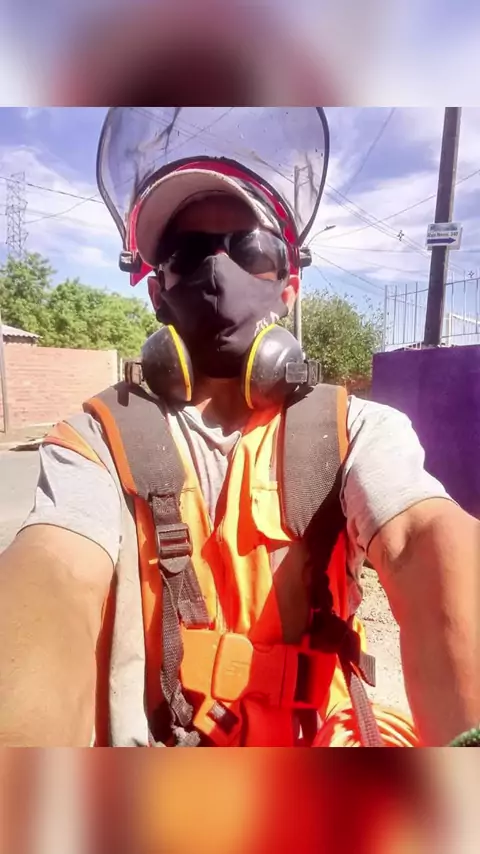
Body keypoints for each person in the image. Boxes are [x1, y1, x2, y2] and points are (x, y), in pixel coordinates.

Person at [0, 124, 478, 749]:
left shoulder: (354, 428)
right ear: (157, 291)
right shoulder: (97, 437)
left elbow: (423, 538)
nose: (218, 270)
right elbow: (53, 574)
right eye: (187, 254)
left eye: (249, 248)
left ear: (288, 286)